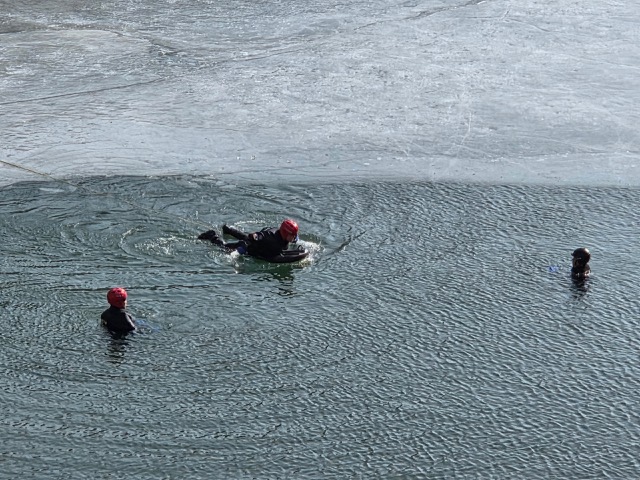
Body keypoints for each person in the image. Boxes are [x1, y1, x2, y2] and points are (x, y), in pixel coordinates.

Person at [198, 219, 299, 259]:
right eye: (292, 235)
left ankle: (228, 230)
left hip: (261, 244)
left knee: (246, 238)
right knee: (224, 247)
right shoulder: (270, 237)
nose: (294, 237)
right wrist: (240, 251)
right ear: (285, 233)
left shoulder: (285, 237)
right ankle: (212, 236)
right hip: (249, 247)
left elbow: (295, 239)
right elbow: (254, 236)